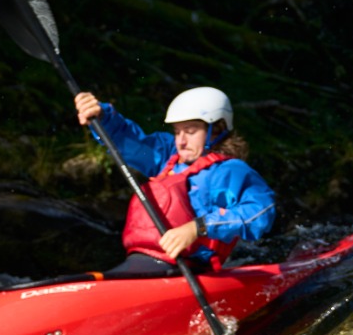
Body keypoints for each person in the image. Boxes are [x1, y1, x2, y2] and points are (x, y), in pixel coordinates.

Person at [73, 85, 276, 277]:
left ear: (217, 129)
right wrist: (102, 117)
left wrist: (198, 227)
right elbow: (129, 142)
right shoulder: (166, 157)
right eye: (178, 131)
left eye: (191, 131)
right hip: (146, 261)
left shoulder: (229, 171)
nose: (181, 141)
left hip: (192, 269)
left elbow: (260, 210)